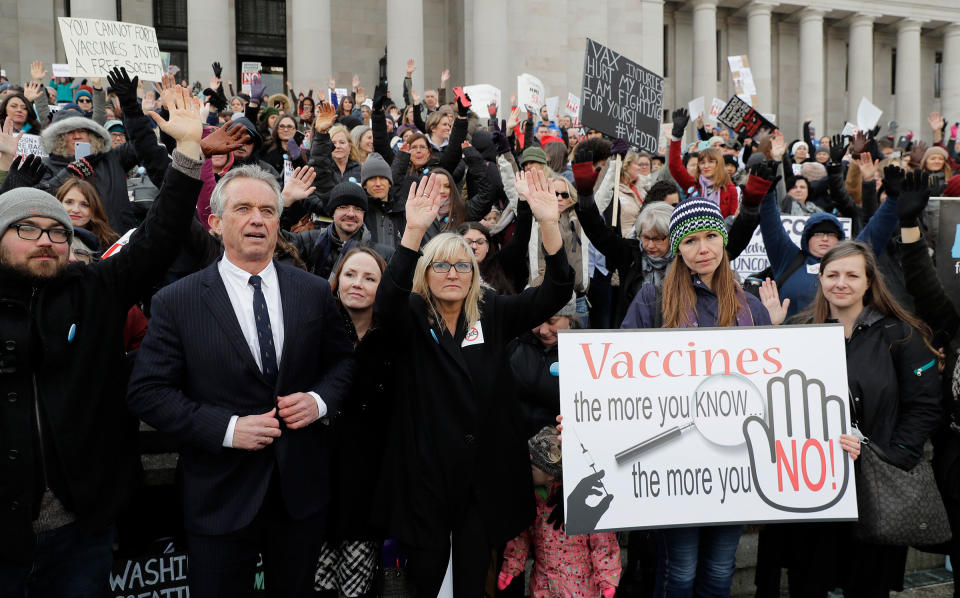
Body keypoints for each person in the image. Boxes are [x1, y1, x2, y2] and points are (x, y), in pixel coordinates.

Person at [0, 83, 228, 595]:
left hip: (81, 535)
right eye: (27, 230)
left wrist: (188, 150)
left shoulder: (93, 290)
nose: (47, 241)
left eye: (57, 232)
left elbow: (159, 236)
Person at [127, 164, 356, 597]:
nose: (257, 219)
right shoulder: (177, 301)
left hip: (299, 495)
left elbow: (342, 363)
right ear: (215, 224)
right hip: (218, 496)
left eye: (268, 210)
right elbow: (147, 393)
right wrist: (228, 429)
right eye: (244, 208)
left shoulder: (311, 291)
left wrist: (319, 401)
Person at [373, 169, 574, 596]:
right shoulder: (409, 314)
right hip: (424, 479)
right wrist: (413, 231)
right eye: (440, 265)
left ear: (474, 273)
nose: (452, 273)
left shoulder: (493, 312)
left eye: (462, 265)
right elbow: (386, 301)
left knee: (472, 579)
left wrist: (548, 224)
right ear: (425, 273)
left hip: (481, 481)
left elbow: (557, 289)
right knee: (425, 578)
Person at [759, 238, 941, 597]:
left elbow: (924, 406)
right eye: (832, 274)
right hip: (812, 488)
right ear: (821, 279)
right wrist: (774, 336)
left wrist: (889, 454)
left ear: (869, 282)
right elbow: (775, 399)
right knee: (807, 582)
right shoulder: (799, 330)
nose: (840, 283)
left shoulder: (900, 335)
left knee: (867, 586)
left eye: (852, 275)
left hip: (874, 490)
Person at [621, 198, 772, 597]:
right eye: (690, 241)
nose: (702, 249)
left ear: (724, 242)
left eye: (710, 237)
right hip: (678, 459)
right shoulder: (653, 300)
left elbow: (771, 380)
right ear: (678, 250)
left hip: (735, 461)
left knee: (721, 568)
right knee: (680, 570)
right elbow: (619, 372)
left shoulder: (751, 306)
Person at [315, 247, 394, 598]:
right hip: (317, 482)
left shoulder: (395, 339)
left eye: (369, 277)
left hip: (369, 487)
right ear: (336, 280)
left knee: (356, 590)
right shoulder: (314, 330)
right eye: (349, 274)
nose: (357, 284)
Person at [758, 164, 901, 318]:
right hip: (793, 337)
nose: (825, 238)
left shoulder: (853, 258)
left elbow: (877, 230)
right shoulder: (788, 259)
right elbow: (771, 227)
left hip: (844, 338)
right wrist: (766, 195)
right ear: (807, 238)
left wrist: (893, 199)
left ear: (840, 239)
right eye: (818, 234)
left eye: (831, 235)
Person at [497, 426, 621, 598]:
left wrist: (607, 580)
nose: (526, 471)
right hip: (543, 585)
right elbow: (521, 535)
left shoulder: (582, 499)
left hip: (579, 588)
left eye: (532, 468)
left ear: (550, 474)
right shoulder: (530, 498)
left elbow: (601, 539)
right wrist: (511, 567)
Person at [668, 109, 739, 218]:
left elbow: (733, 219)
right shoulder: (693, 184)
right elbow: (674, 165)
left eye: (711, 162)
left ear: (719, 164)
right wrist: (676, 136)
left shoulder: (729, 188)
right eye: (702, 162)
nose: (706, 166)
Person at [55, 177, 119, 250]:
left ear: (94, 209)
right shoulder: (45, 236)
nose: (76, 210)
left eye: (84, 205)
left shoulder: (110, 243)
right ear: (58, 203)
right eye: (69, 202)